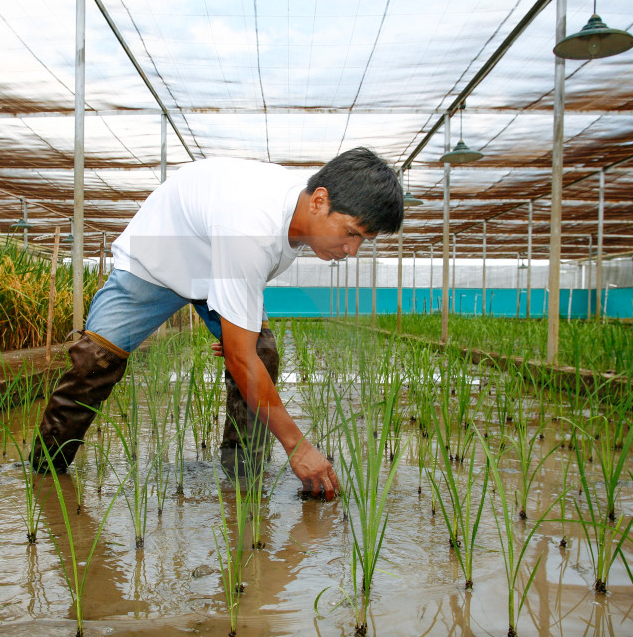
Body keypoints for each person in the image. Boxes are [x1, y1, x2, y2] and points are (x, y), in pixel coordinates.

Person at [31, 146, 403, 500]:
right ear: (319, 200)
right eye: (351, 233)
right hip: (157, 260)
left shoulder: (294, 220)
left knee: (261, 352)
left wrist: (239, 340)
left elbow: (244, 338)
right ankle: (45, 473)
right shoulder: (251, 227)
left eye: (363, 241)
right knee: (94, 360)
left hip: (219, 263)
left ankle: (241, 476)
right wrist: (298, 446)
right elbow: (240, 358)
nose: (352, 251)